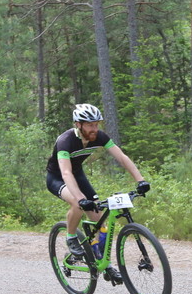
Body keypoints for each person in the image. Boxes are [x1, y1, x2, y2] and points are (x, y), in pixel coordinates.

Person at [46, 103, 150, 281]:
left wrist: (140, 180)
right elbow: (66, 173)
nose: (94, 129)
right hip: (57, 177)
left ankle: (104, 263)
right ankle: (71, 237)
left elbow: (121, 157)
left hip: (77, 175)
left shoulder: (99, 137)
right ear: (78, 125)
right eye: (90, 125)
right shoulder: (65, 140)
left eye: (96, 124)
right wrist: (80, 198)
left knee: (99, 221)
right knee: (78, 204)